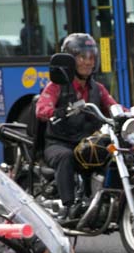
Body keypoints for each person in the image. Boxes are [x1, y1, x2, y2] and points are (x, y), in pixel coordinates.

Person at [35, 33, 118, 219]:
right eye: (82, 57)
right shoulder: (56, 86)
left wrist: (130, 116)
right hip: (59, 143)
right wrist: (56, 112)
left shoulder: (98, 88)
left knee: (111, 152)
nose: (88, 62)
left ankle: (102, 200)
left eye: (91, 57)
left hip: (85, 142)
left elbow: (114, 106)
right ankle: (69, 206)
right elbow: (41, 109)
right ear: (71, 61)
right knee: (66, 157)